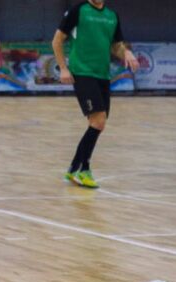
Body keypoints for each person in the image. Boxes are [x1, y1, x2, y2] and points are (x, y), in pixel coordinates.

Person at [52, 0, 139, 189]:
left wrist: (126, 53)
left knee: (98, 124)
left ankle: (73, 168)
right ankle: (84, 170)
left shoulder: (112, 16)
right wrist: (63, 68)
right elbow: (57, 40)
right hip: (82, 72)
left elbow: (115, 46)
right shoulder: (78, 10)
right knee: (98, 121)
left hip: (103, 75)